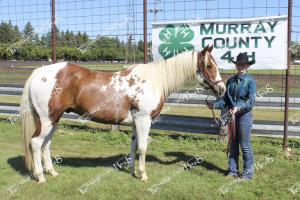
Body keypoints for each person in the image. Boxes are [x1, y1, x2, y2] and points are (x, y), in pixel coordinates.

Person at [207, 52, 257, 180]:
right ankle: (233, 170)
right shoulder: (231, 81)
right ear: (236, 65)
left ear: (247, 66)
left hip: (244, 116)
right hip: (232, 116)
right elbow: (226, 101)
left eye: (243, 64)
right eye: (239, 64)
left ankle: (248, 174)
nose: (241, 66)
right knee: (233, 143)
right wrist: (215, 105)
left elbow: (250, 101)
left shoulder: (251, 81)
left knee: (245, 145)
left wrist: (238, 107)